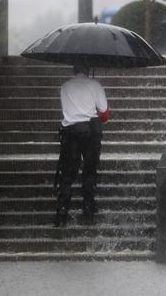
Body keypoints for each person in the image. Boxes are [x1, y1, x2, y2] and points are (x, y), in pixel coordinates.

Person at [54, 62, 109, 227]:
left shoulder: (65, 87)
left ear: (74, 69)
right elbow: (105, 114)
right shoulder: (95, 84)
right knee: (89, 169)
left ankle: (62, 209)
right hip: (90, 132)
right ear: (87, 69)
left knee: (67, 174)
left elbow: (67, 110)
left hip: (70, 132)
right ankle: (88, 205)